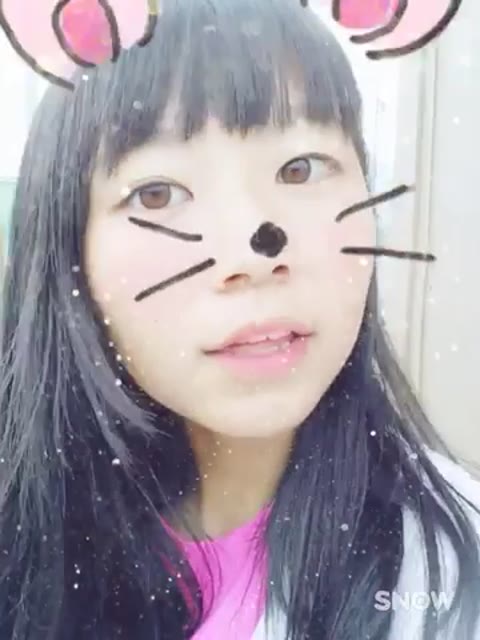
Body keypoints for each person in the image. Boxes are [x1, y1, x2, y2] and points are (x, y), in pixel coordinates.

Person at [0, 0, 479, 638]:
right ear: (68, 256)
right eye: (157, 194)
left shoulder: (451, 575)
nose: (251, 253)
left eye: (300, 169)